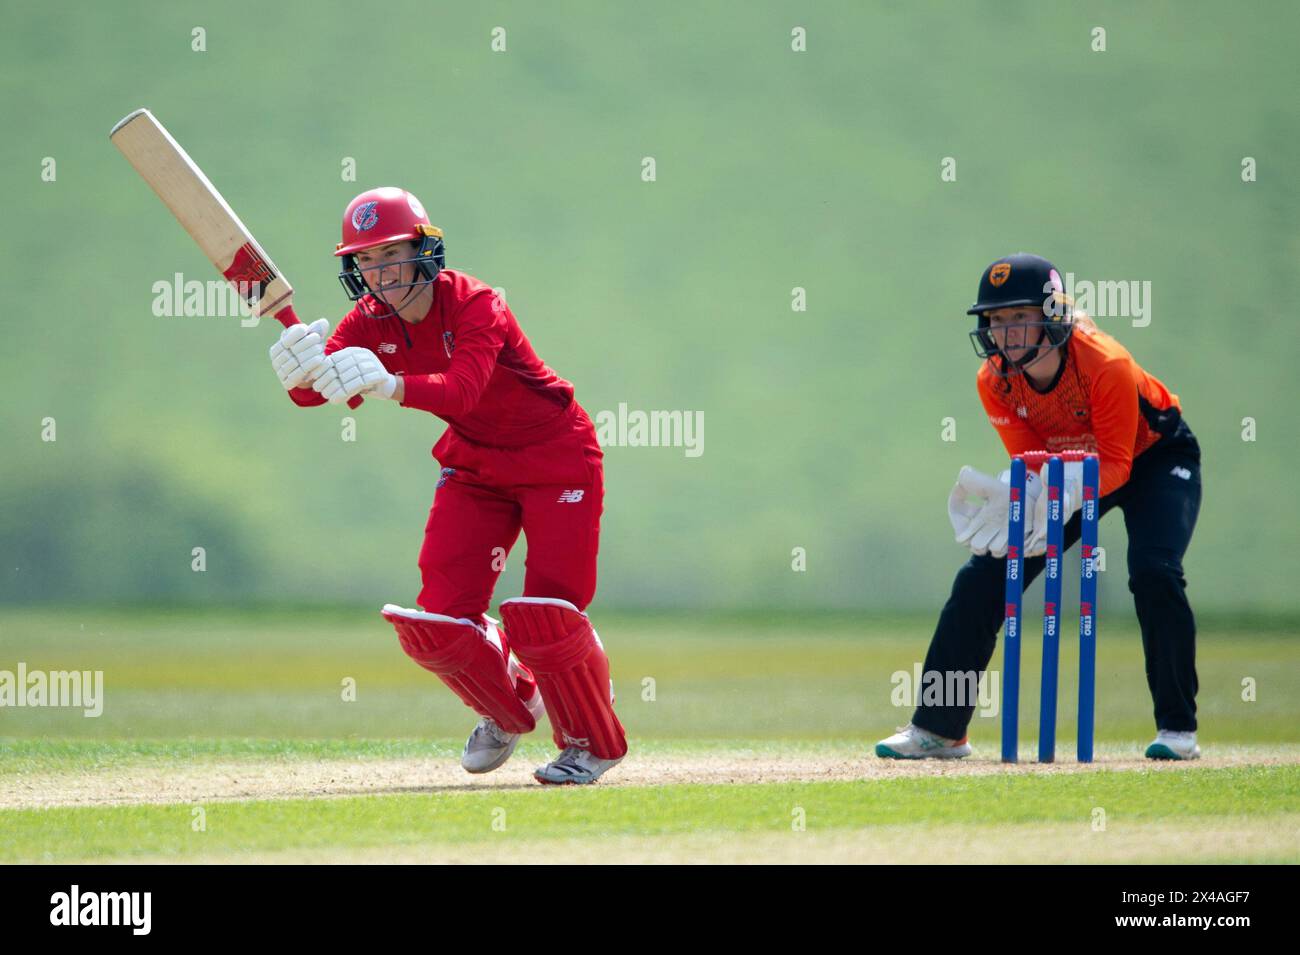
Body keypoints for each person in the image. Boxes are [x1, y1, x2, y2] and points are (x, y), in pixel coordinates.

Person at [268, 186, 626, 784]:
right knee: (439, 620)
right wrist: (296, 367)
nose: (378, 272)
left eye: (390, 254)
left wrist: (389, 385)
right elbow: (315, 390)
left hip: (556, 455)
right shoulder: (368, 321)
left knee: (548, 614)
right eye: (365, 260)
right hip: (477, 464)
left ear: (424, 251)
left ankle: (591, 744)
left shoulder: (476, 304)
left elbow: (464, 390)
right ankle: (509, 703)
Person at [876, 253, 1203, 761]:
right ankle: (940, 729)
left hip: (1152, 459)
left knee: (1155, 571)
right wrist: (1020, 494)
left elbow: (1116, 465)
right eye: (997, 321)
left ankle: (1178, 730)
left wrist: (1065, 485)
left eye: (1018, 317)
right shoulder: (994, 382)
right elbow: (1029, 461)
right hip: (1066, 471)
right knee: (983, 575)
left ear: (1052, 314)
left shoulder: (1104, 363)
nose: (1005, 333)